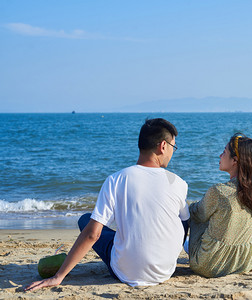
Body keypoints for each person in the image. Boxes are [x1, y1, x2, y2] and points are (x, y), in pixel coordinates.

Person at [26, 118, 189, 291]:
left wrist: (58, 276)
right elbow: (185, 224)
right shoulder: (177, 182)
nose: (173, 153)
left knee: (86, 220)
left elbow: (92, 235)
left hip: (125, 273)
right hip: (165, 271)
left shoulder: (116, 179)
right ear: (163, 146)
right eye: (173, 147)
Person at [187, 133, 252, 278]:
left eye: (224, 152)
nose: (220, 156)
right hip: (246, 260)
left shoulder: (219, 192)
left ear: (234, 160)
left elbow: (197, 214)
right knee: (222, 216)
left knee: (196, 214)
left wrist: (182, 205)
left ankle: (184, 247)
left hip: (209, 265)